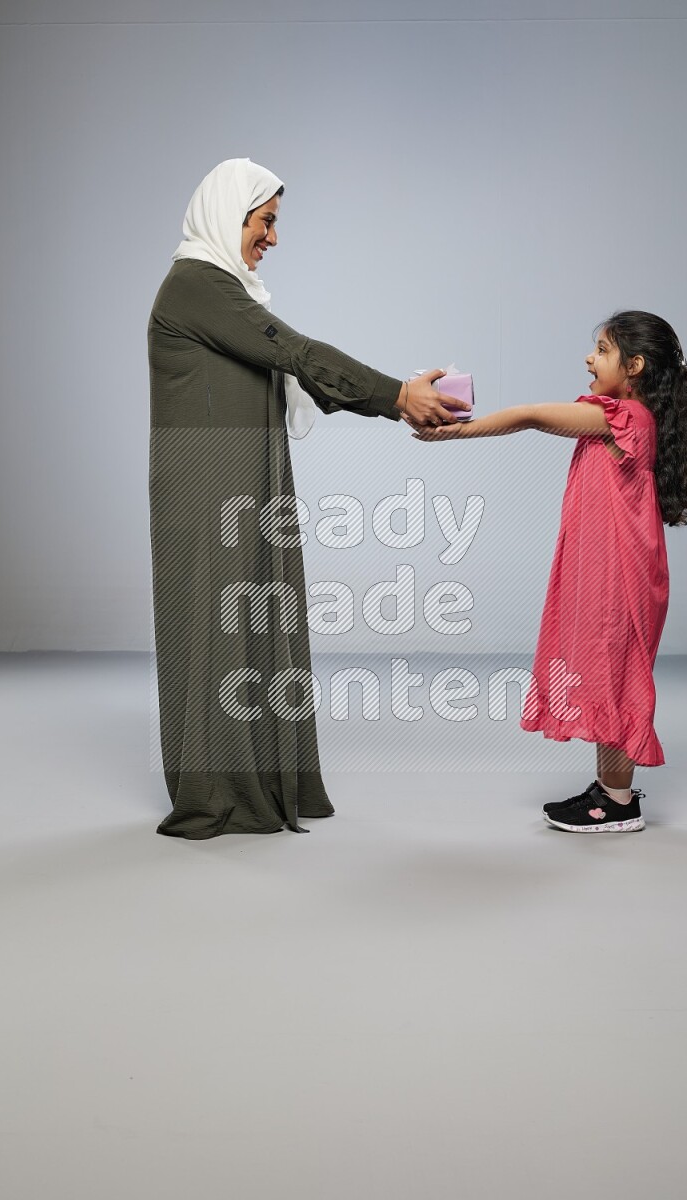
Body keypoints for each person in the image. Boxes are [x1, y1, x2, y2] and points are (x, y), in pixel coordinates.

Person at [148, 157, 468, 840]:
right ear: (228, 215)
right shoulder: (196, 286)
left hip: (244, 476)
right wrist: (396, 397)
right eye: (265, 222)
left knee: (257, 612)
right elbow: (296, 351)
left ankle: (261, 776)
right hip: (208, 484)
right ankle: (220, 787)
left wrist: (399, 398)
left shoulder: (225, 291)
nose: (272, 238)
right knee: (218, 618)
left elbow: (299, 369)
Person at [413, 310, 687, 833]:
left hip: (621, 574)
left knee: (617, 675)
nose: (588, 358)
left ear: (636, 365)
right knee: (607, 672)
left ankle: (619, 803)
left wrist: (452, 433)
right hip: (610, 567)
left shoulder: (625, 418)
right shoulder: (624, 416)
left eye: (601, 349)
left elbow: (531, 415)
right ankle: (610, 789)